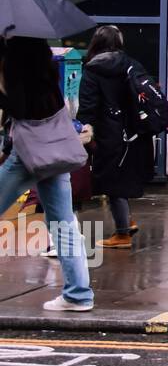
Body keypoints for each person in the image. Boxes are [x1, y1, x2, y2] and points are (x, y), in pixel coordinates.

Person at [0, 38, 94, 310]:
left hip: (29, 153)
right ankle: (79, 295)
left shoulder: (16, 59)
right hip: (56, 149)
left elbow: (18, 108)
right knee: (64, 225)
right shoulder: (43, 59)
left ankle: (78, 295)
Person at [77, 25, 151, 250]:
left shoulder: (93, 69)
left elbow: (88, 107)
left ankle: (122, 235)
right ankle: (127, 222)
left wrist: (85, 132)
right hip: (133, 132)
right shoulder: (132, 65)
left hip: (108, 133)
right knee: (122, 177)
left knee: (113, 184)